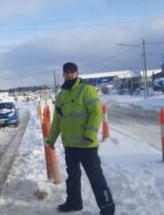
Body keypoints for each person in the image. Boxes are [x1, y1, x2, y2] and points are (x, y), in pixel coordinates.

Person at [47, 62, 115, 215]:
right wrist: (51, 140)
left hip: (86, 145)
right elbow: (58, 120)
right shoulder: (61, 95)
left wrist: (89, 136)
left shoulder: (87, 90)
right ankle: (74, 202)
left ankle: (107, 208)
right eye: (66, 72)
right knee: (72, 176)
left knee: (96, 177)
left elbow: (96, 113)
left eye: (72, 72)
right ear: (63, 74)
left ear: (77, 73)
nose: (69, 74)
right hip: (70, 145)